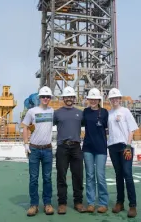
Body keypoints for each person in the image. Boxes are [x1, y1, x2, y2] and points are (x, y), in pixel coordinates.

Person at [22, 86, 54, 217]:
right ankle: (33, 205)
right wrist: (25, 143)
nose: (45, 99)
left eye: (47, 97)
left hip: (47, 149)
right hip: (34, 149)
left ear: (50, 98)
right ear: (39, 98)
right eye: (43, 97)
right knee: (33, 178)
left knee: (47, 178)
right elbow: (25, 127)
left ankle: (47, 204)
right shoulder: (32, 111)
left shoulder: (52, 111)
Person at [53, 86, 86, 214]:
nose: (69, 99)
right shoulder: (57, 113)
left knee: (78, 175)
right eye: (67, 97)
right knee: (61, 176)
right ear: (63, 98)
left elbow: (84, 124)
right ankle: (62, 203)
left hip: (76, 147)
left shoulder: (80, 113)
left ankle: (78, 202)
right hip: (62, 147)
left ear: (74, 98)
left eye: (71, 97)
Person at [107, 88, 139, 218]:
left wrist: (128, 145)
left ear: (120, 99)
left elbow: (132, 129)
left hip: (125, 146)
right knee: (118, 175)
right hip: (113, 147)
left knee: (127, 174)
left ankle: (132, 205)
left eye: (116, 98)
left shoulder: (125, 111)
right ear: (110, 100)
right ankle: (120, 202)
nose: (114, 100)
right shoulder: (109, 114)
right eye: (112, 98)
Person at [82, 88, 109, 213]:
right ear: (88, 100)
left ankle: (103, 203)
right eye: (91, 99)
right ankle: (91, 202)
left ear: (99, 100)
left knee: (100, 175)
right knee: (90, 175)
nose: (93, 101)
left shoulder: (104, 112)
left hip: (101, 148)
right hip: (88, 148)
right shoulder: (85, 112)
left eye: (95, 99)